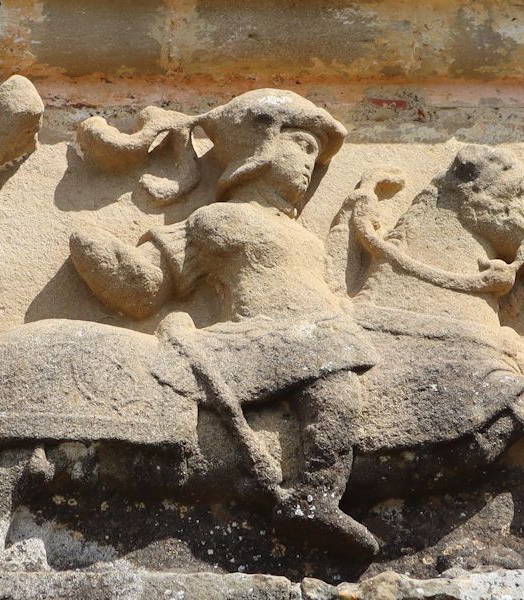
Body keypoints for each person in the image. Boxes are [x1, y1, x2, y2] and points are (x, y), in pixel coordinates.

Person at [68, 89, 380, 557]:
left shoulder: (302, 235)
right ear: (262, 148)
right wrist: (102, 257)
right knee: (335, 387)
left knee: (345, 352)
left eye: (315, 155)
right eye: (302, 146)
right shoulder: (223, 220)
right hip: (260, 341)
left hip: (313, 336)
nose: (309, 165)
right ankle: (316, 496)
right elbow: (150, 282)